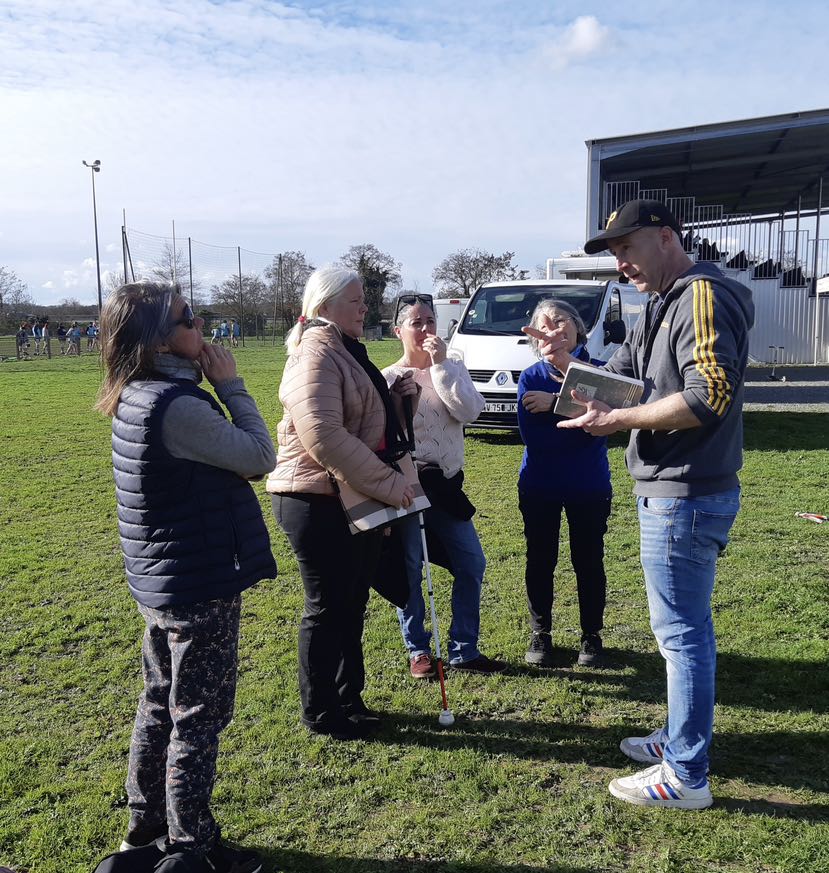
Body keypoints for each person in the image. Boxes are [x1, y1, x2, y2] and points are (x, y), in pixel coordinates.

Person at [529, 199, 754, 810]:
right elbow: (619, 375)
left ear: (665, 237)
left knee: (682, 637)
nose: (622, 263)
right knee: (679, 634)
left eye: (628, 248)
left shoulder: (699, 296)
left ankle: (686, 775)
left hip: (686, 492)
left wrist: (619, 419)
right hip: (672, 489)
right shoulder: (658, 301)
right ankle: (676, 742)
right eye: (615, 253)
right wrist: (560, 364)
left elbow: (708, 395)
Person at [96, 281, 276, 870]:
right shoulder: (177, 406)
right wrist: (231, 385)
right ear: (159, 339)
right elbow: (258, 455)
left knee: (158, 705)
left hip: (162, 579)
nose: (204, 326)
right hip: (197, 582)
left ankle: (144, 830)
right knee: (198, 717)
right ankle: (191, 846)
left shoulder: (137, 393)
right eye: (189, 317)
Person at [267, 265, 419, 740]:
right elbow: (324, 437)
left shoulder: (344, 350)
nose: (365, 308)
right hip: (315, 499)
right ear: (325, 306)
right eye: (355, 301)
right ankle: (322, 712)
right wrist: (390, 487)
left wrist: (395, 402)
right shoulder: (315, 353)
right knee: (328, 606)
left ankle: (348, 700)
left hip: (349, 494)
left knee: (351, 603)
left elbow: (355, 422)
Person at [383, 296, 507, 677]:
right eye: (416, 322)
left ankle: (464, 648)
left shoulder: (453, 368)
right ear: (398, 330)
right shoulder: (387, 377)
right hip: (407, 485)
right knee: (408, 568)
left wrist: (440, 367)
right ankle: (418, 649)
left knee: (471, 563)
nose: (425, 330)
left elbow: (469, 411)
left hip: (448, 485)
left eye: (431, 321)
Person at [517, 298, 611, 669]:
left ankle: (591, 635)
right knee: (541, 560)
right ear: (536, 335)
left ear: (577, 327)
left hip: (588, 485)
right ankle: (541, 633)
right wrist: (582, 415)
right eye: (545, 324)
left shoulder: (600, 372)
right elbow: (537, 438)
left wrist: (555, 403)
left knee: (588, 561)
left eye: (561, 321)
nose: (554, 329)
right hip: (540, 483)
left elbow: (603, 422)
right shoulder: (531, 376)